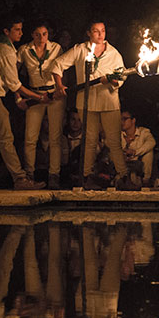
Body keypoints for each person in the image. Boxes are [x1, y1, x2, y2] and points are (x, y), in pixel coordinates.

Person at [51, 19, 138, 190]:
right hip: (87, 101)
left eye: (103, 31)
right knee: (90, 140)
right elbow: (57, 64)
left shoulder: (113, 53)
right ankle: (86, 176)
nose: (100, 34)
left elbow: (121, 76)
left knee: (113, 140)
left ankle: (123, 176)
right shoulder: (80, 50)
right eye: (96, 31)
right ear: (89, 33)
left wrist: (112, 81)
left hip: (108, 102)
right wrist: (59, 85)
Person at [0, 13, 47, 190]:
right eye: (16, 29)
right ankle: (20, 179)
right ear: (6, 31)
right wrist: (39, 97)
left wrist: (25, 95)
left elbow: (10, 82)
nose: (20, 33)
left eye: (21, 29)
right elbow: (15, 84)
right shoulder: (4, 50)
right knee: (5, 137)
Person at [17, 21, 65, 189]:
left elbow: (63, 68)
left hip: (53, 94)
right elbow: (12, 74)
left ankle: (54, 175)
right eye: (38, 34)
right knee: (31, 137)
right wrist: (18, 98)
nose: (42, 38)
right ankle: (29, 174)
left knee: (55, 137)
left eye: (44, 34)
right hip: (35, 94)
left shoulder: (56, 48)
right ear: (32, 35)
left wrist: (60, 87)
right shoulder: (24, 50)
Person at [121, 108, 155, 186]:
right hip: (123, 164)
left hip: (139, 165)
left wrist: (135, 152)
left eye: (125, 119)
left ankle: (146, 180)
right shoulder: (118, 134)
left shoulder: (143, 132)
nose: (122, 122)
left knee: (149, 152)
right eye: (120, 119)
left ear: (133, 120)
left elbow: (151, 142)